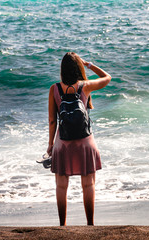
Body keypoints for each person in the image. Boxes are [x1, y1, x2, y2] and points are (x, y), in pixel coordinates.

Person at [46, 52, 111, 226]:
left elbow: (53, 121)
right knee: (88, 185)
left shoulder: (55, 89)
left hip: (63, 142)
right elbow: (107, 78)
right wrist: (89, 64)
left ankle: (62, 225)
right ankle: (90, 224)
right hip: (85, 141)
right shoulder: (85, 86)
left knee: (61, 186)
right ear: (78, 68)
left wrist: (50, 145)